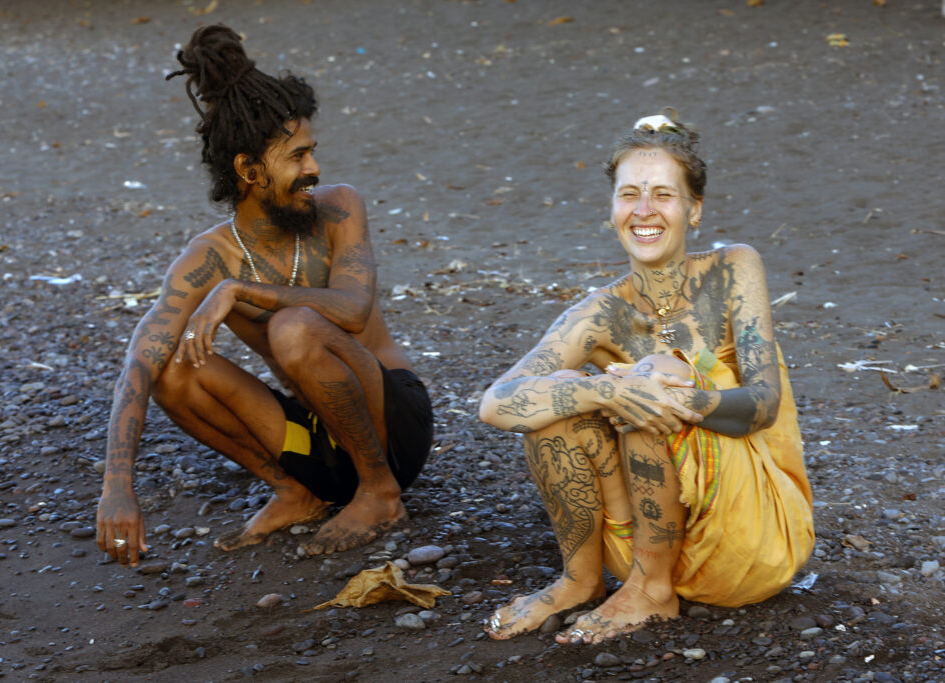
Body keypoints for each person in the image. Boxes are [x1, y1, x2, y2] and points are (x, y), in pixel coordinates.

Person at [95, 24, 432, 567]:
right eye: (297, 157)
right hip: (319, 443)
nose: (313, 168)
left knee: (293, 327)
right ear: (249, 170)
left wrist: (242, 291)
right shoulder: (209, 255)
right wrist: (116, 486)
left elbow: (351, 309)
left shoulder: (340, 207)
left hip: (393, 427)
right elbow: (139, 361)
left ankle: (380, 495)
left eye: (312, 153)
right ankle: (297, 492)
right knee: (173, 367)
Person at [479, 110, 813, 644]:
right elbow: (496, 403)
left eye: (662, 194)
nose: (643, 210)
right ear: (611, 210)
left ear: (693, 209)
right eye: (629, 193)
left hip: (751, 536)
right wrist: (606, 388)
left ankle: (654, 591)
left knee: (652, 372)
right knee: (553, 412)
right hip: (638, 538)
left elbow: (765, 403)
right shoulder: (599, 313)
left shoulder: (733, 268)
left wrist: (673, 396)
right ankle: (581, 579)